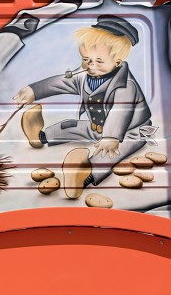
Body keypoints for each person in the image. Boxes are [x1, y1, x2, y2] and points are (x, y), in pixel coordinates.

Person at [13, 16, 151, 198]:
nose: (90, 66)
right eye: (86, 59)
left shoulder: (126, 86)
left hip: (130, 132)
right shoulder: (86, 76)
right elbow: (61, 82)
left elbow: (121, 111)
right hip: (98, 127)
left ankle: (84, 175)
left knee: (110, 153)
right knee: (72, 125)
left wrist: (111, 137)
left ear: (118, 61)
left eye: (98, 61)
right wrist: (33, 90)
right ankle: (41, 137)